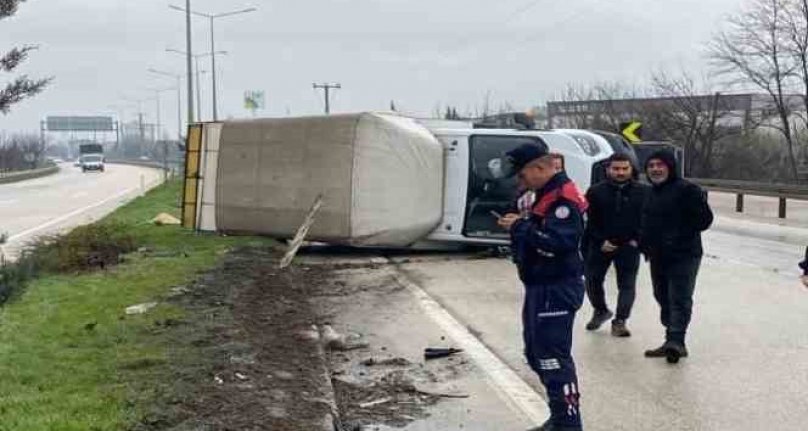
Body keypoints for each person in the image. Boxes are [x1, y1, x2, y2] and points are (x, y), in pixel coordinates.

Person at [497, 143, 588, 431]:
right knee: (536, 354)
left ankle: (569, 424)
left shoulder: (562, 199)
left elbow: (560, 242)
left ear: (539, 168)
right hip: (540, 284)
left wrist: (519, 228)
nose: (519, 182)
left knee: (552, 358)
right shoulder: (542, 195)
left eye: (522, 175)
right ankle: (560, 417)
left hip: (556, 286)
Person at [640, 150, 713, 364]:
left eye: (660, 165)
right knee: (661, 295)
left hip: (684, 254)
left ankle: (676, 340)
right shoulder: (650, 192)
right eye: (651, 165)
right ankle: (670, 335)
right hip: (657, 255)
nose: (655, 169)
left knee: (679, 297)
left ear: (670, 167)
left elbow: (704, 221)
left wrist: (678, 232)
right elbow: (645, 221)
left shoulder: (688, 190)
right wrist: (643, 243)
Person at [583, 153, 649, 337]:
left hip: (629, 245)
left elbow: (646, 219)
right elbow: (591, 221)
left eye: (624, 169)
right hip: (601, 244)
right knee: (592, 279)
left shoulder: (643, 192)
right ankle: (600, 309)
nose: (620, 172)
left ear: (631, 169)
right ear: (608, 169)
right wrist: (600, 240)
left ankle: (620, 321)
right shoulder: (595, 191)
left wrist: (637, 240)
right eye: (616, 169)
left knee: (627, 284)